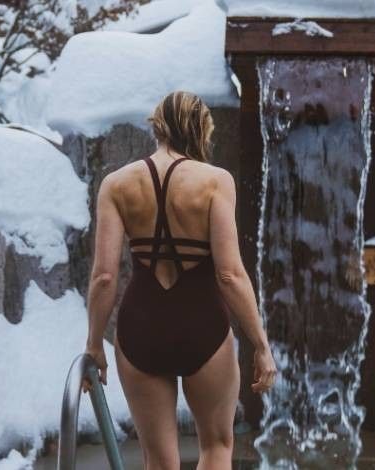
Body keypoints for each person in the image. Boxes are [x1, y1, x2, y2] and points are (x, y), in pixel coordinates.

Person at [82, 91, 276, 470]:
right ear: (201, 129)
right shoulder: (215, 182)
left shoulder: (117, 185)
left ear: (157, 127)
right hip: (203, 325)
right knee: (217, 445)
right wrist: (260, 343)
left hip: (141, 329)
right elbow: (230, 274)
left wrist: (94, 344)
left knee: (159, 460)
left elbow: (104, 276)